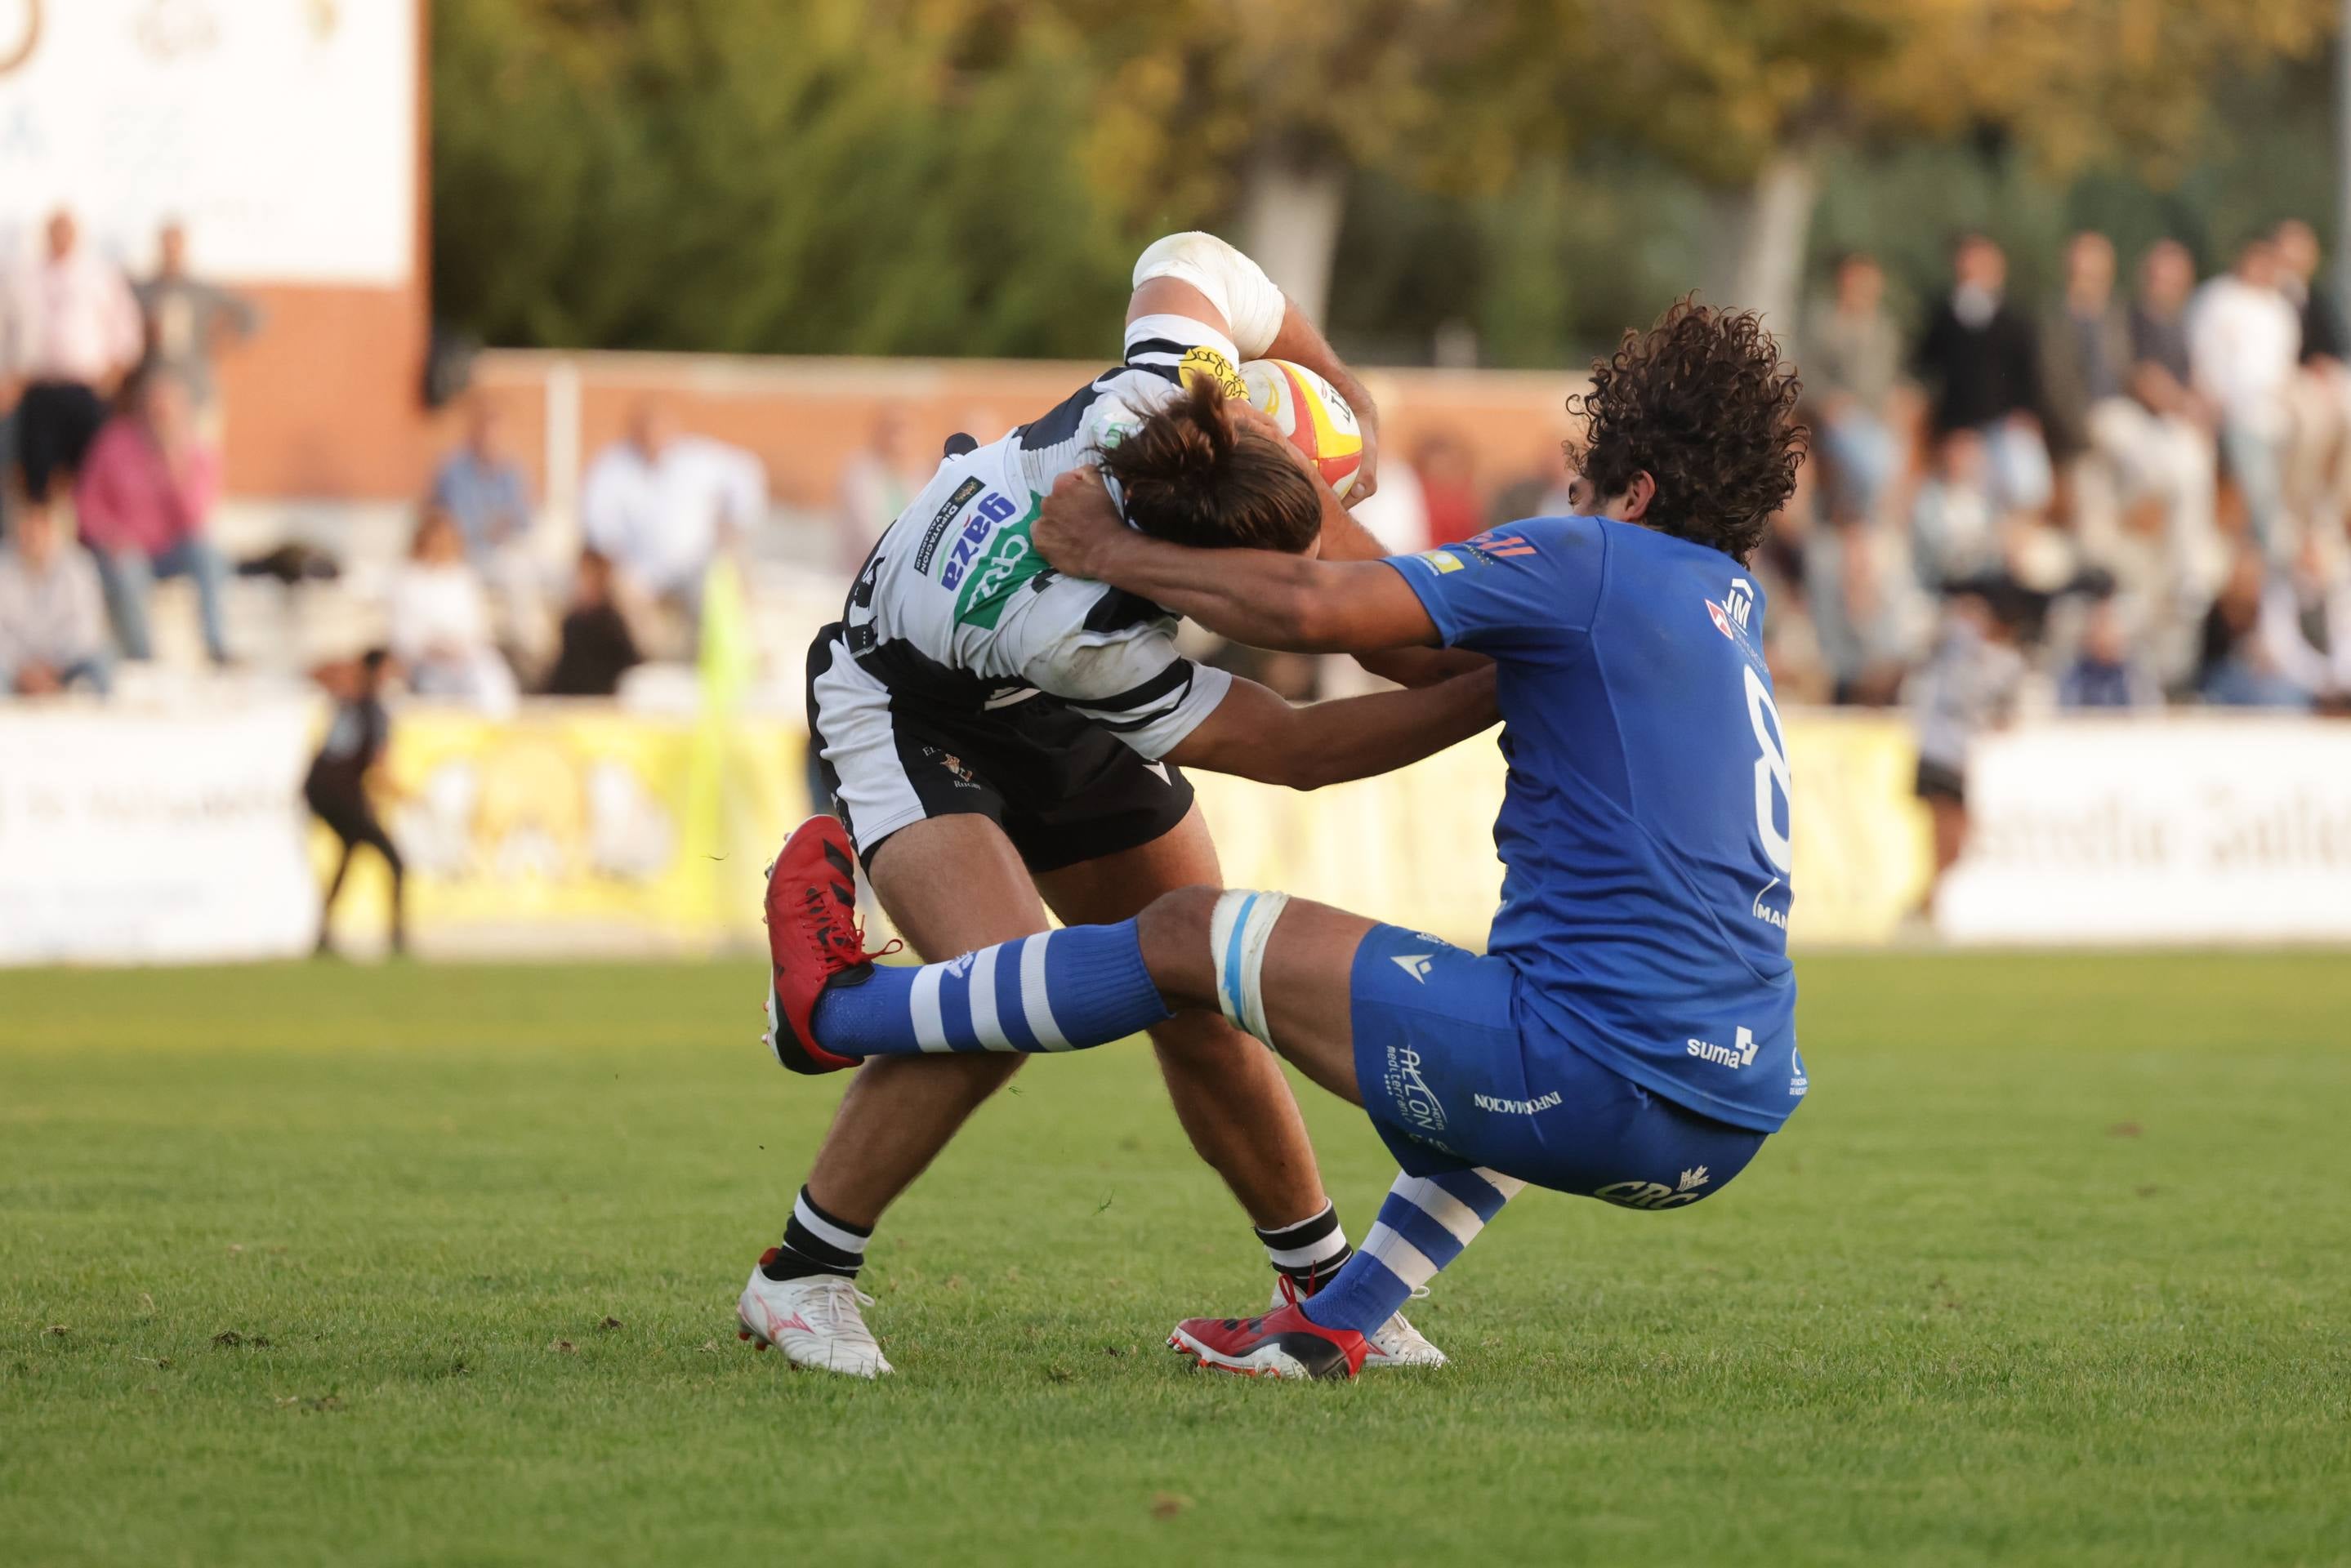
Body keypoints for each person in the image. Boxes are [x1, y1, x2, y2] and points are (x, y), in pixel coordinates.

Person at [762, 298, 1812, 1380]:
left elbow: (1315, 622)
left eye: (1582, 487)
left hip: (1592, 1071)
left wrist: (1116, 543)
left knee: (1174, 943)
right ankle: (1327, 1311)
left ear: (1631, 497)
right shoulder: (1723, 605)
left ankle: (837, 1011)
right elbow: (1347, 645)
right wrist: (1344, 411)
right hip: (1724, 1113)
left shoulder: (1593, 564)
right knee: (1115, 981)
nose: (1564, 501)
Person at [738, 229, 1501, 1379]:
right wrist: (1505, 694)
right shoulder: (1084, 631)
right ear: (1218, 561)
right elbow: (1295, 746)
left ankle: (1320, 1285)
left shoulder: (1174, 390)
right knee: (998, 997)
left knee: (1201, 980)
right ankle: (799, 1273)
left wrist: (1342, 392)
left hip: (1012, 676)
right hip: (906, 703)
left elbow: (1190, 253)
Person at [74, 368, 232, 665]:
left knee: (209, 556)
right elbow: (86, 504)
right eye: (156, 404)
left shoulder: (196, 452)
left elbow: (195, 521)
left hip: (169, 553)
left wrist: (175, 466)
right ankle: (143, 659)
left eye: (169, 405)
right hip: (123, 550)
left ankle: (216, 646)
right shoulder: (114, 442)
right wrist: (111, 538)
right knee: (128, 568)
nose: (161, 413)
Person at [2, 210, 145, 501]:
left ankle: (86, 540)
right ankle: (39, 538)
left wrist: (113, 376)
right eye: (55, 229)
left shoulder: (99, 274)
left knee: (89, 473)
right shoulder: (22, 277)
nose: (60, 237)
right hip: (38, 388)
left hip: (84, 389)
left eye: (66, 230)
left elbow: (126, 330)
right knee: (36, 476)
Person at [579, 400, 765, 619]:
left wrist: (734, 525)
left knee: (725, 581)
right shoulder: (612, 466)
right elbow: (599, 527)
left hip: (699, 565)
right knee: (620, 593)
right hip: (639, 571)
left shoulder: (698, 459)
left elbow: (745, 472)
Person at [1914, 233, 2050, 514]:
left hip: (2006, 424)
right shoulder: (1943, 318)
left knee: (2026, 486)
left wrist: (2026, 413)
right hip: (1960, 429)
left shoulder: (2015, 319)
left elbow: (2030, 373)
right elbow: (1924, 370)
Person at [2190, 238, 2301, 559]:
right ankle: (2272, 540)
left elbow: (2285, 363)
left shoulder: (2279, 307)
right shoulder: (2217, 299)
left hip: (2275, 406)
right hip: (2229, 406)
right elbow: (2202, 357)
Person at [306, 649, 405, 957]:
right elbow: (379, 766)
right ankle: (397, 935)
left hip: (321, 790)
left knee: (348, 855)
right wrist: (409, 796)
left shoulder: (349, 703)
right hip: (339, 793)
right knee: (395, 862)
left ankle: (322, 933)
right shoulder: (372, 710)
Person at [386, 507, 518, 714]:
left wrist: (460, 647)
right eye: (436, 538)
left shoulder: (463, 578)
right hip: (423, 659)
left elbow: (476, 627)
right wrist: (433, 647)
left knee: (489, 676)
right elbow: (403, 634)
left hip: (464, 656)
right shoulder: (407, 579)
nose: (441, 544)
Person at [1806, 251, 1905, 525]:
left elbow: (1889, 379)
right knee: (1870, 462)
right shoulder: (1823, 323)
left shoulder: (1884, 329)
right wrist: (1826, 402)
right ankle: (1855, 525)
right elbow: (1805, 375)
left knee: (1887, 457)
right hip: (1836, 417)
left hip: (1876, 418)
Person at [133, 220, 261, 425]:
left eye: (176, 245)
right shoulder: (145, 291)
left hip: (195, 392)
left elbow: (251, 313)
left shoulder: (202, 291)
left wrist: (221, 341)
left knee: (200, 453)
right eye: (167, 244)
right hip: (155, 396)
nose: (171, 251)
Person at [0, 483, 109, 696]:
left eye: (41, 525)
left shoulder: (78, 565)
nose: (33, 534)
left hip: (63, 666)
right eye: (27, 525)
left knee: (101, 662)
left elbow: (85, 629)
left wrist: (53, 669)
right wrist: (23, 672)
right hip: (13, 668)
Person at [834, 407, 926, 575]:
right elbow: (867, 530)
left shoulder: (919, 475)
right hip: (861, 574)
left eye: (905, 431)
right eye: (893, 430)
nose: (899, 439)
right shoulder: (860, 473)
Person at [542, 549, 642, 697]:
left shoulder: (611, 624)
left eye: (588, 577)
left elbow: (630, 667)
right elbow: (565, 671)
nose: (581, 584)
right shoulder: (572, 622)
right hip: (572, 699)